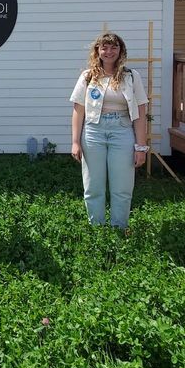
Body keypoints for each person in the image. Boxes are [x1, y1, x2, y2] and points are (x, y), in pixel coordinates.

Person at [69, 32, 149, 230]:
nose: (109, 51)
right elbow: (78, 110)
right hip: (93, 132)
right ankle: (96, 229)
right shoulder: (88, 77)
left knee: (122, 186)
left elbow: (140, 111)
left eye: (114, 47)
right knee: (93, 185)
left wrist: (141, 146)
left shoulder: (131, 76)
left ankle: (119, 229)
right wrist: (75, 141)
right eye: (104, 47)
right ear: (97, 51)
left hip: (121, 131)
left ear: (120, 51)